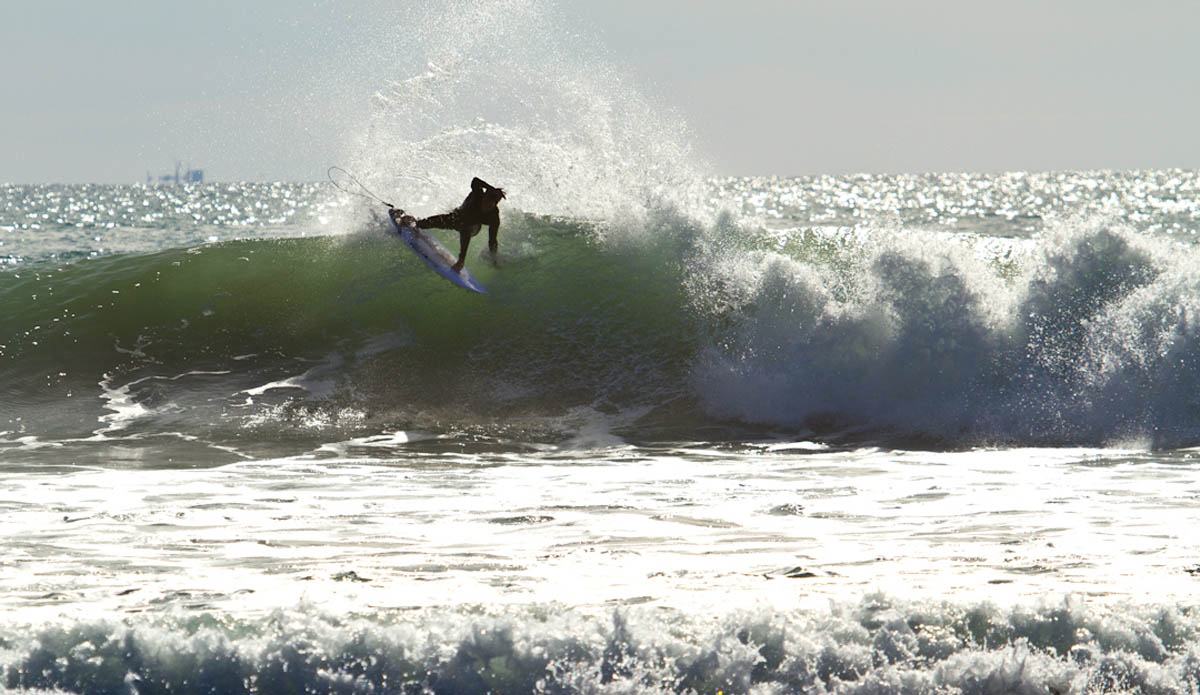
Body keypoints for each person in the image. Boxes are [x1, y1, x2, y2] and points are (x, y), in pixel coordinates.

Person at [392, 177, 505, 272]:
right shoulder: (478, 194)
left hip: (472, 227)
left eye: (490, 205)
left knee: (466, 227)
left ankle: (461, 261)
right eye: (485, 202)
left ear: (495, 205)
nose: (486, 207)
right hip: (455, 217)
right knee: (424, 223)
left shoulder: (493, 217)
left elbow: (492, 240)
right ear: (484, 197)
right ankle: (412, 221)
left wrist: (493, 259)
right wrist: (491, 188)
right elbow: (475, 181)